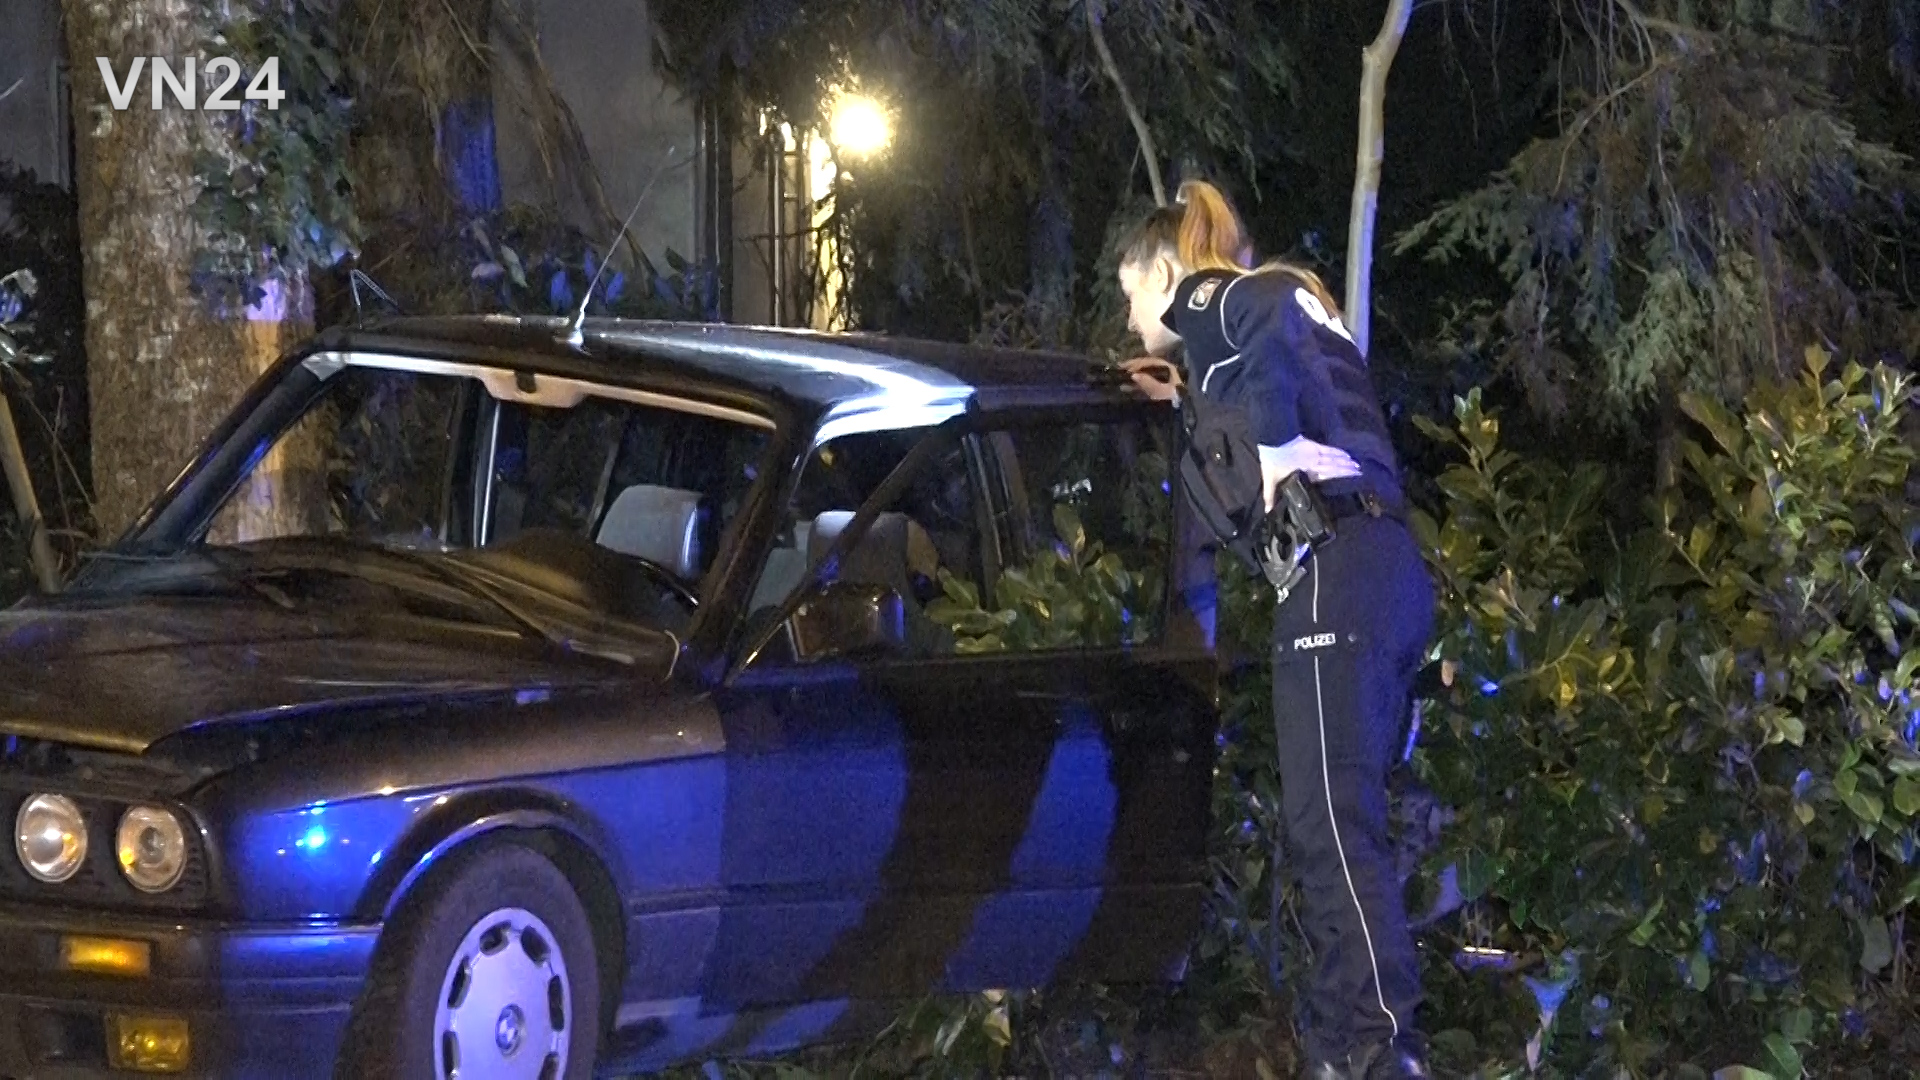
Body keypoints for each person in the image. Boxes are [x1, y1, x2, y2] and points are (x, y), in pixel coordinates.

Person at [1116, 180, 1437, 1080]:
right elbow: (1273, 356)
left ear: (1166, 267)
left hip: (1335, 571)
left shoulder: (1212, 295)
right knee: (1341, 827)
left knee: (1328, 827)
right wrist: (1189, 399)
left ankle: (1375, 1052)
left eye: (1130, 286)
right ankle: (1348, 1047)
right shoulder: (1259, 348)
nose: (1131, 307)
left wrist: (1277, 448)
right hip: (1382, 571)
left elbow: (1260, 313)